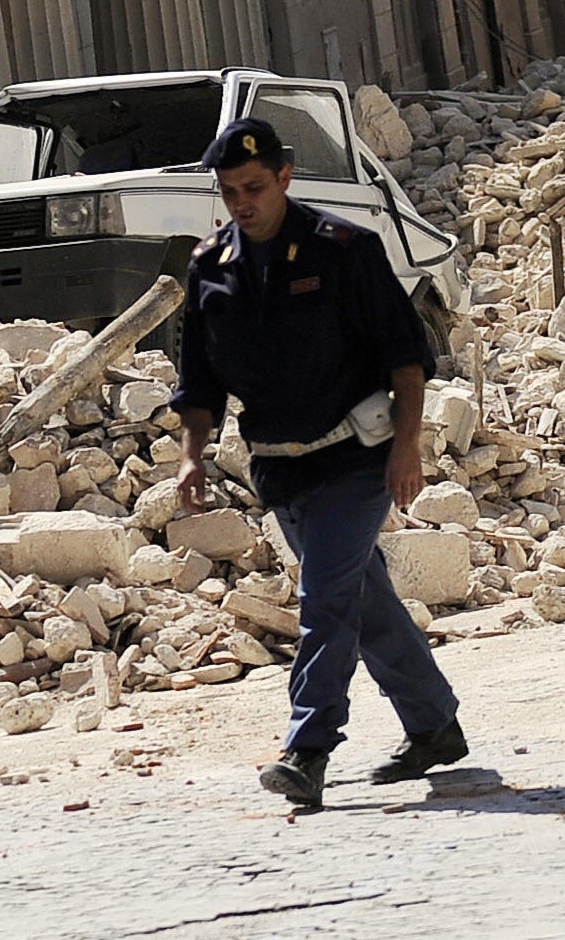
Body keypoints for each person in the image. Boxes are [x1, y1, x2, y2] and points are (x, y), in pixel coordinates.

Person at [171, 115, 468, 810]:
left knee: (326, 602)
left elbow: (406, 355)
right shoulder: (211, 269)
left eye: (253, 187)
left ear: (284, 177)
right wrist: (192, 458)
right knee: (360, 599)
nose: (242, 203)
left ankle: (308, 750)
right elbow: (198, 382)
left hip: (356, 459)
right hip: (280, 465)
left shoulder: (344, 250)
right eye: (229, 192)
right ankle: (434, 726)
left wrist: (406, 446)